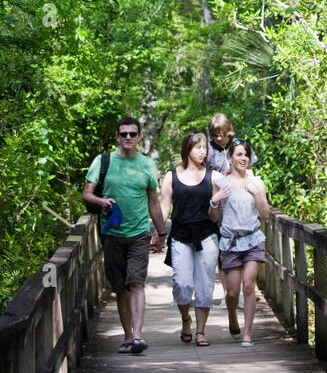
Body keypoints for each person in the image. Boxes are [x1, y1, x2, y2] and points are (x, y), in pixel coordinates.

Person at [82, 116, 167, 355]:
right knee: (121, 288)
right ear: (118, 137)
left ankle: (138, 335)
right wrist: (102, 201)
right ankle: (128, 336)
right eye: (123, 134)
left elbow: (153, 202)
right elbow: (86, 194)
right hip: (112, 233)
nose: (128, 137)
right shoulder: (103, 161)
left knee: (136, 282)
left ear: (139, 136)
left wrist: (161, 233)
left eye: (132, 133)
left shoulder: (147, 165)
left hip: (139, 232)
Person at [159, 131, 225, 346]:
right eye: (198, 147)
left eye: (204, 147)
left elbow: (215, 216)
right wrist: (158, 234)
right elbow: (164, 207)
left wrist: (214, 202)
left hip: (207, 236)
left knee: (205, 284)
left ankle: (201, 331)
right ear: (187, 149)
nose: (202, 151)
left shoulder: (213, 176)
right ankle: (186, 319)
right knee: (182, 284)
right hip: (180, 235)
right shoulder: (171, 176)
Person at [209, 138, 270, 347]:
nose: (243, 158)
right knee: (232, 292)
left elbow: (266, 215)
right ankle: (233, 317)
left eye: (246, 155)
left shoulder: (257, 182)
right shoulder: (221, 183)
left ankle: (247, 334)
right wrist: (214, 201)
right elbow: (213, 217)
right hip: (230, 242)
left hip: (252, 239)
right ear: (230, 157)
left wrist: (257, 194)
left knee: (248, 284)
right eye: (238, 154)